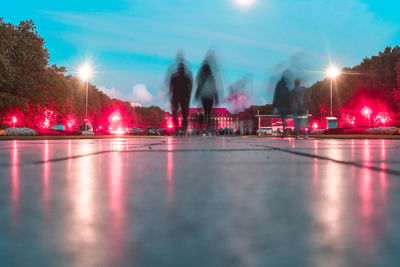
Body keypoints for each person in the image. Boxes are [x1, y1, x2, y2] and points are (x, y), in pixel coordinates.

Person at [195, 52, 222, 131]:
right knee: (208, 112)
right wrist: (216, 97)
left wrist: (196, 94)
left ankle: (204, 124)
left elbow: (199, 86)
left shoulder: (202, 77)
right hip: (210, 95)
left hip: (203, 95)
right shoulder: (212, 77)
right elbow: (215, 88)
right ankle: (207, 124)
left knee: (205, 110)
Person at [169, 61, 193, 134]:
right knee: (184, 114)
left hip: (176, 97)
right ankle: (183, 128)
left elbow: (171, 88)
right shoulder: (187, 77)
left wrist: (171, 96)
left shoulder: (174, 77)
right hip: (183, 97)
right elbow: (190, 88)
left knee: (176, 113)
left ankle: (178, 127)